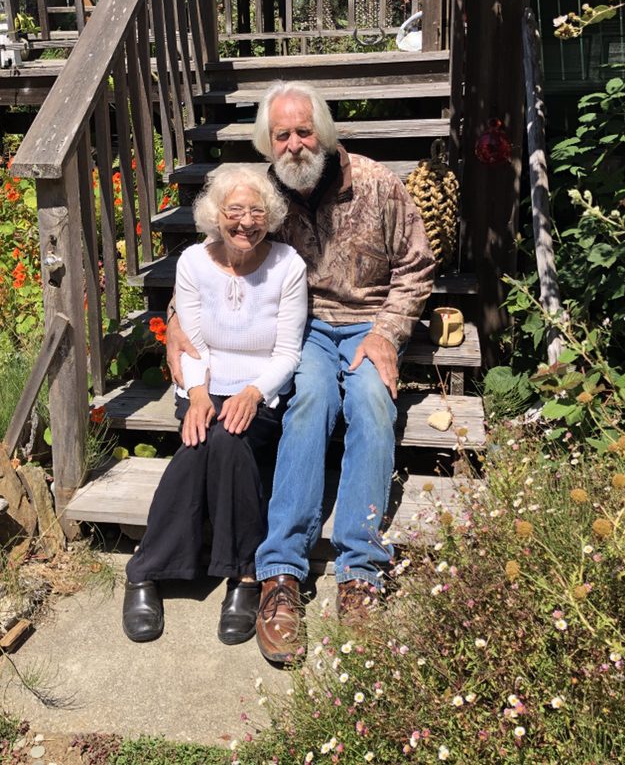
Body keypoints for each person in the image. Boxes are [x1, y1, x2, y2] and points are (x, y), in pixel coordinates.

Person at [167, 81, 435, 663]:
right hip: (305, 329)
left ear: (325, 133)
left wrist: (388, 333)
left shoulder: (377, 184)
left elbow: (417, 267)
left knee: (371, 405)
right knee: (309, 400)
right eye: (282, 135)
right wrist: (174, 320)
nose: (294, 144)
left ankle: (360, 570)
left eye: (304, 131)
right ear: (269, 141)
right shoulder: (265, 195)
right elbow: (218, 260)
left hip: (368, 326)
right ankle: (281, 572)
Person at [122, 164, 308, 647]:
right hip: (203, 384)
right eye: (234, 211)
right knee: (203, 441)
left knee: (224, 439)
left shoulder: (287, 265)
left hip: (261, 390)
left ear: (271, 216)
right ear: (215, 215)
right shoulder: (193, 262)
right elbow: (191, 342)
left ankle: (169, 569)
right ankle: (227, 573)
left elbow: (288, 353)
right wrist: (199, 394)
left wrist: (252, 392)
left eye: (257, 212)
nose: (246, 222)